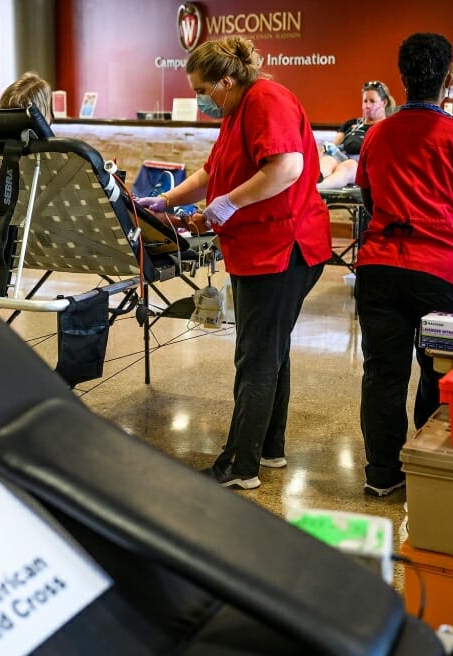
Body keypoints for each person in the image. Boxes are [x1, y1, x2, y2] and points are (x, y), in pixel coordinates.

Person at [137, 37, 330, 490]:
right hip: (258, 247)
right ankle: (269, 448)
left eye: (203, 90)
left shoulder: (266, 99)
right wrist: (163, 201)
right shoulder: (235, 110)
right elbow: (211, 173)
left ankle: (240, 466)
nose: (200, 99)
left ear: (227, 80)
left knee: (257, 356)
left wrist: (226, 204)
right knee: (268, 348)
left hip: (284, 247)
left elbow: (286, 168)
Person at [353, 33, 453, 497]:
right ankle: (430, 469)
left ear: (402, 78)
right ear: (447, 77)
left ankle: (381, 474)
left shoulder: (377, 134)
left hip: (379, 268)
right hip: (441, 271)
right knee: (438, 371)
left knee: (382, 372)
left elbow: (369, 200)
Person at [318, 80, 396, 190]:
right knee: (327, 160)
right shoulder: (351, 124)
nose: (367, 106)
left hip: (362, 168)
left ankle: (315, 189)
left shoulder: (387, 127)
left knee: (349, 166)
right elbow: (332, 146)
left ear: (384, 102)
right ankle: (308, 185)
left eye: (372, 101)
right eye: (365, 101)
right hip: (340, 158)